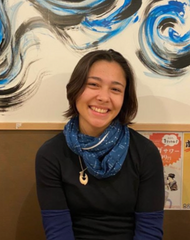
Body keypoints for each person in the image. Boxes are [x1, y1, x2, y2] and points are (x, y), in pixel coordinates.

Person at [35, 49, 165, 240]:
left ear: (124, 98)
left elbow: (149, 231)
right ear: (75, 88)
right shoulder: (51, 154)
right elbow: (58, 232)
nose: (104, 97)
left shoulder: (145, 153)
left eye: (115, 89)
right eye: (93, 85)